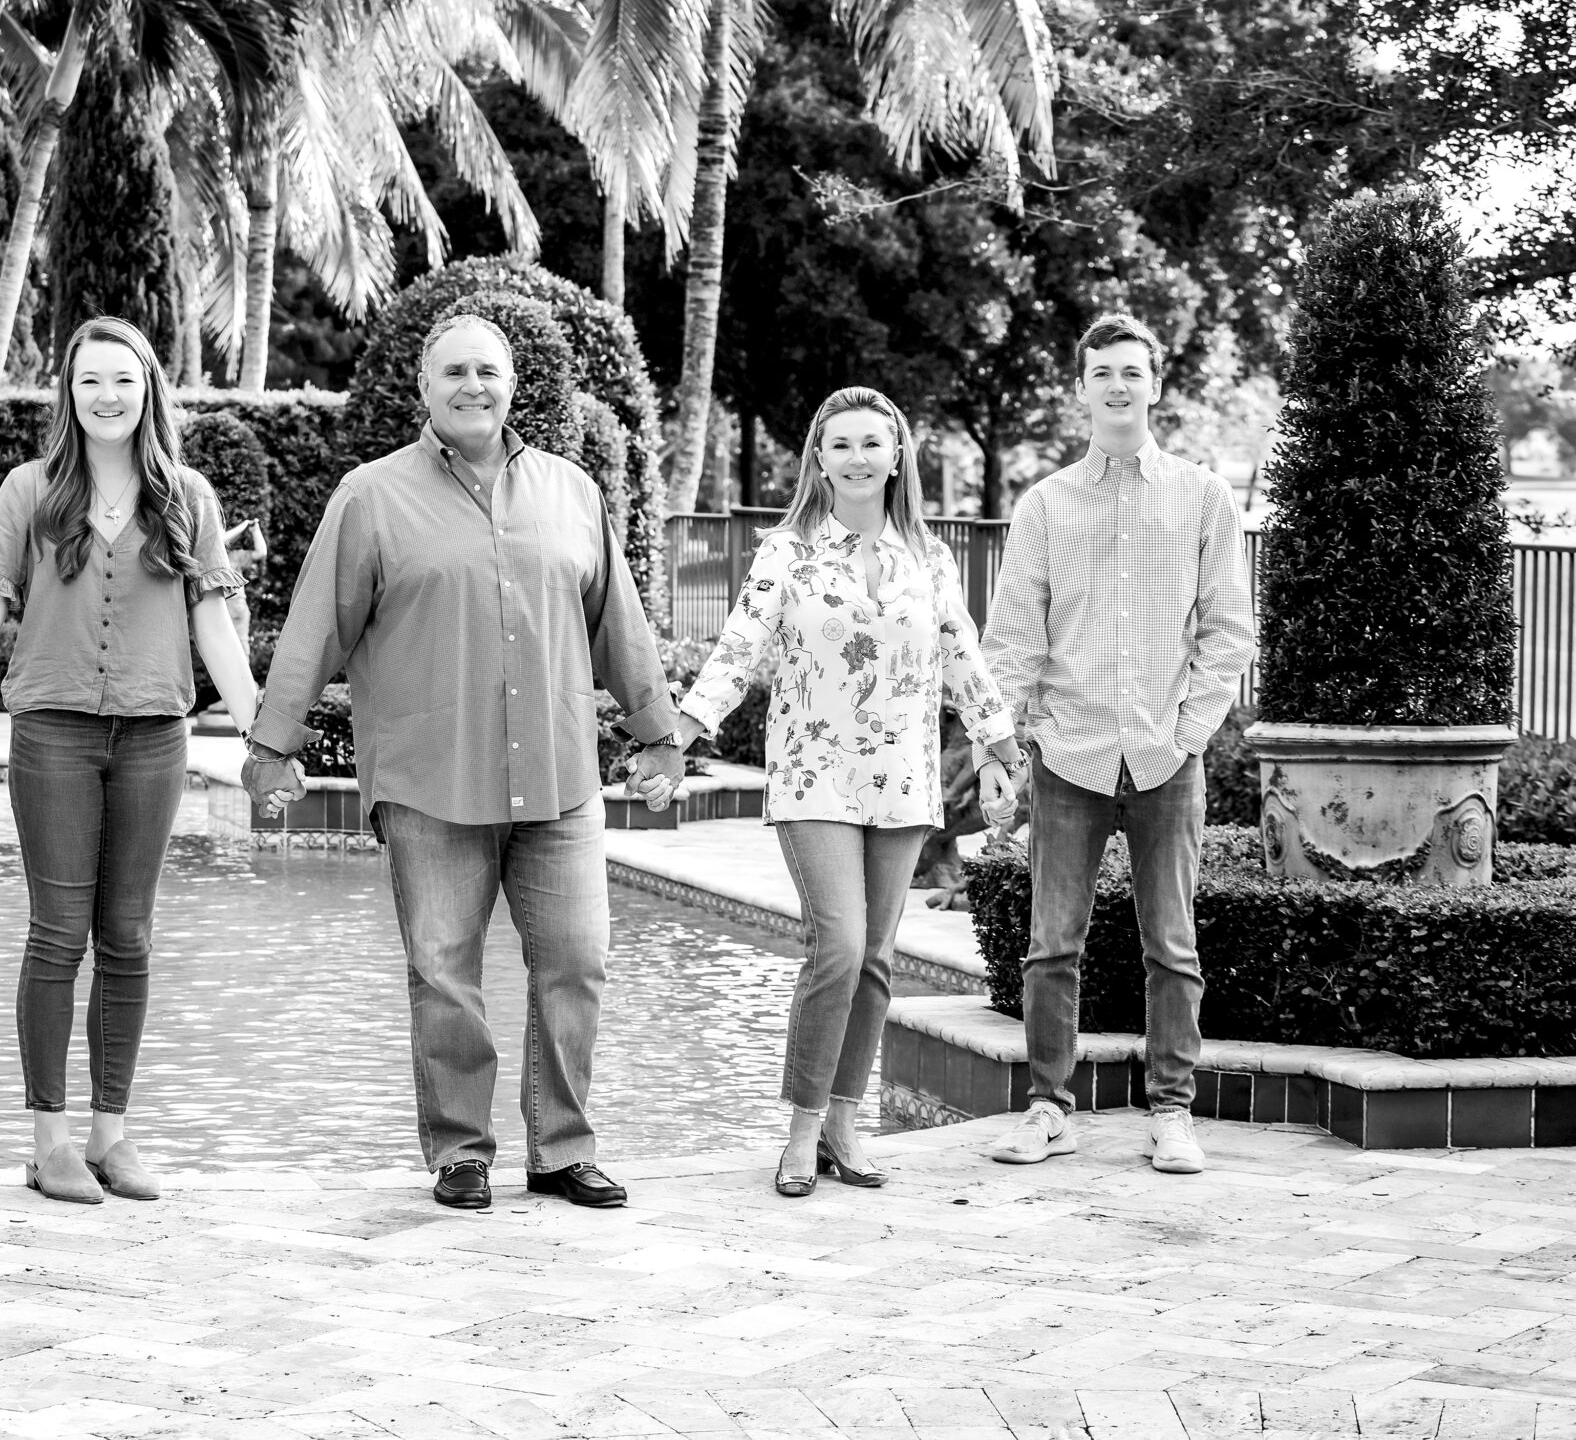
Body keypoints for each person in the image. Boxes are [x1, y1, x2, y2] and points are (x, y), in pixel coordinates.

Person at [243, 312, 683, 1212]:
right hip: (429, 779)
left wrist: (655, 732)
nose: (472, 385)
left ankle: (562, 1148)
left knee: (577, 961)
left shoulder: (573, 493)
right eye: (453, 372)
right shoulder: (370, 497)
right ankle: (461, 1153)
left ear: (513, 382)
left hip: (558, 776)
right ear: (424, 389)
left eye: (487, 370)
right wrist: (270, 745)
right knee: (444, 972)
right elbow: (317, 625)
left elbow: (618, 623)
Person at [0, 318, 261, 1207]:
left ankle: (110, 1138)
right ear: (69, 393)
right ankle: (48, 1142)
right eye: (90, 381)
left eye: (123, 380)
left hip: (156, 736)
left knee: (128, 938)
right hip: (51, 733)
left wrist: (262, 739)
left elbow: (213, 630)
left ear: (149, 388)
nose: (108, 396)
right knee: (58, 934)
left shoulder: (188, 496)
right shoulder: (30, 490)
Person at [674, 388, 1023, 1198]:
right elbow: (738, 648)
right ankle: (801, 1130)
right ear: (819, 460)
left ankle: (843, 1122)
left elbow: (964, 659)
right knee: (837, 945)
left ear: (896, 455)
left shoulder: (928, 558)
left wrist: (1002, 748)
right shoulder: (787, 551)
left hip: (901, 782)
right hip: (812, 775)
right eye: (842, 446)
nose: (859, 458)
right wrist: (680, 735)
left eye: (874, 443)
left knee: (874, 956)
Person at [982, 312, 1255, 1175]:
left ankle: (1172, 1112)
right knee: (1050, 946)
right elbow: (1013, 637)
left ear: (1156, 385)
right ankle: (1047, 1108)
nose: (1117, 386)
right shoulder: (1046, 505)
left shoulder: (1204, 496)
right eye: (1102, 372)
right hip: (1068, 755)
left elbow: (1229, 631)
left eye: (1132, 372)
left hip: (1168, 757)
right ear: (1080, 389)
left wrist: (1188, 733)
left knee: (1171, 944)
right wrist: (1003, 739)